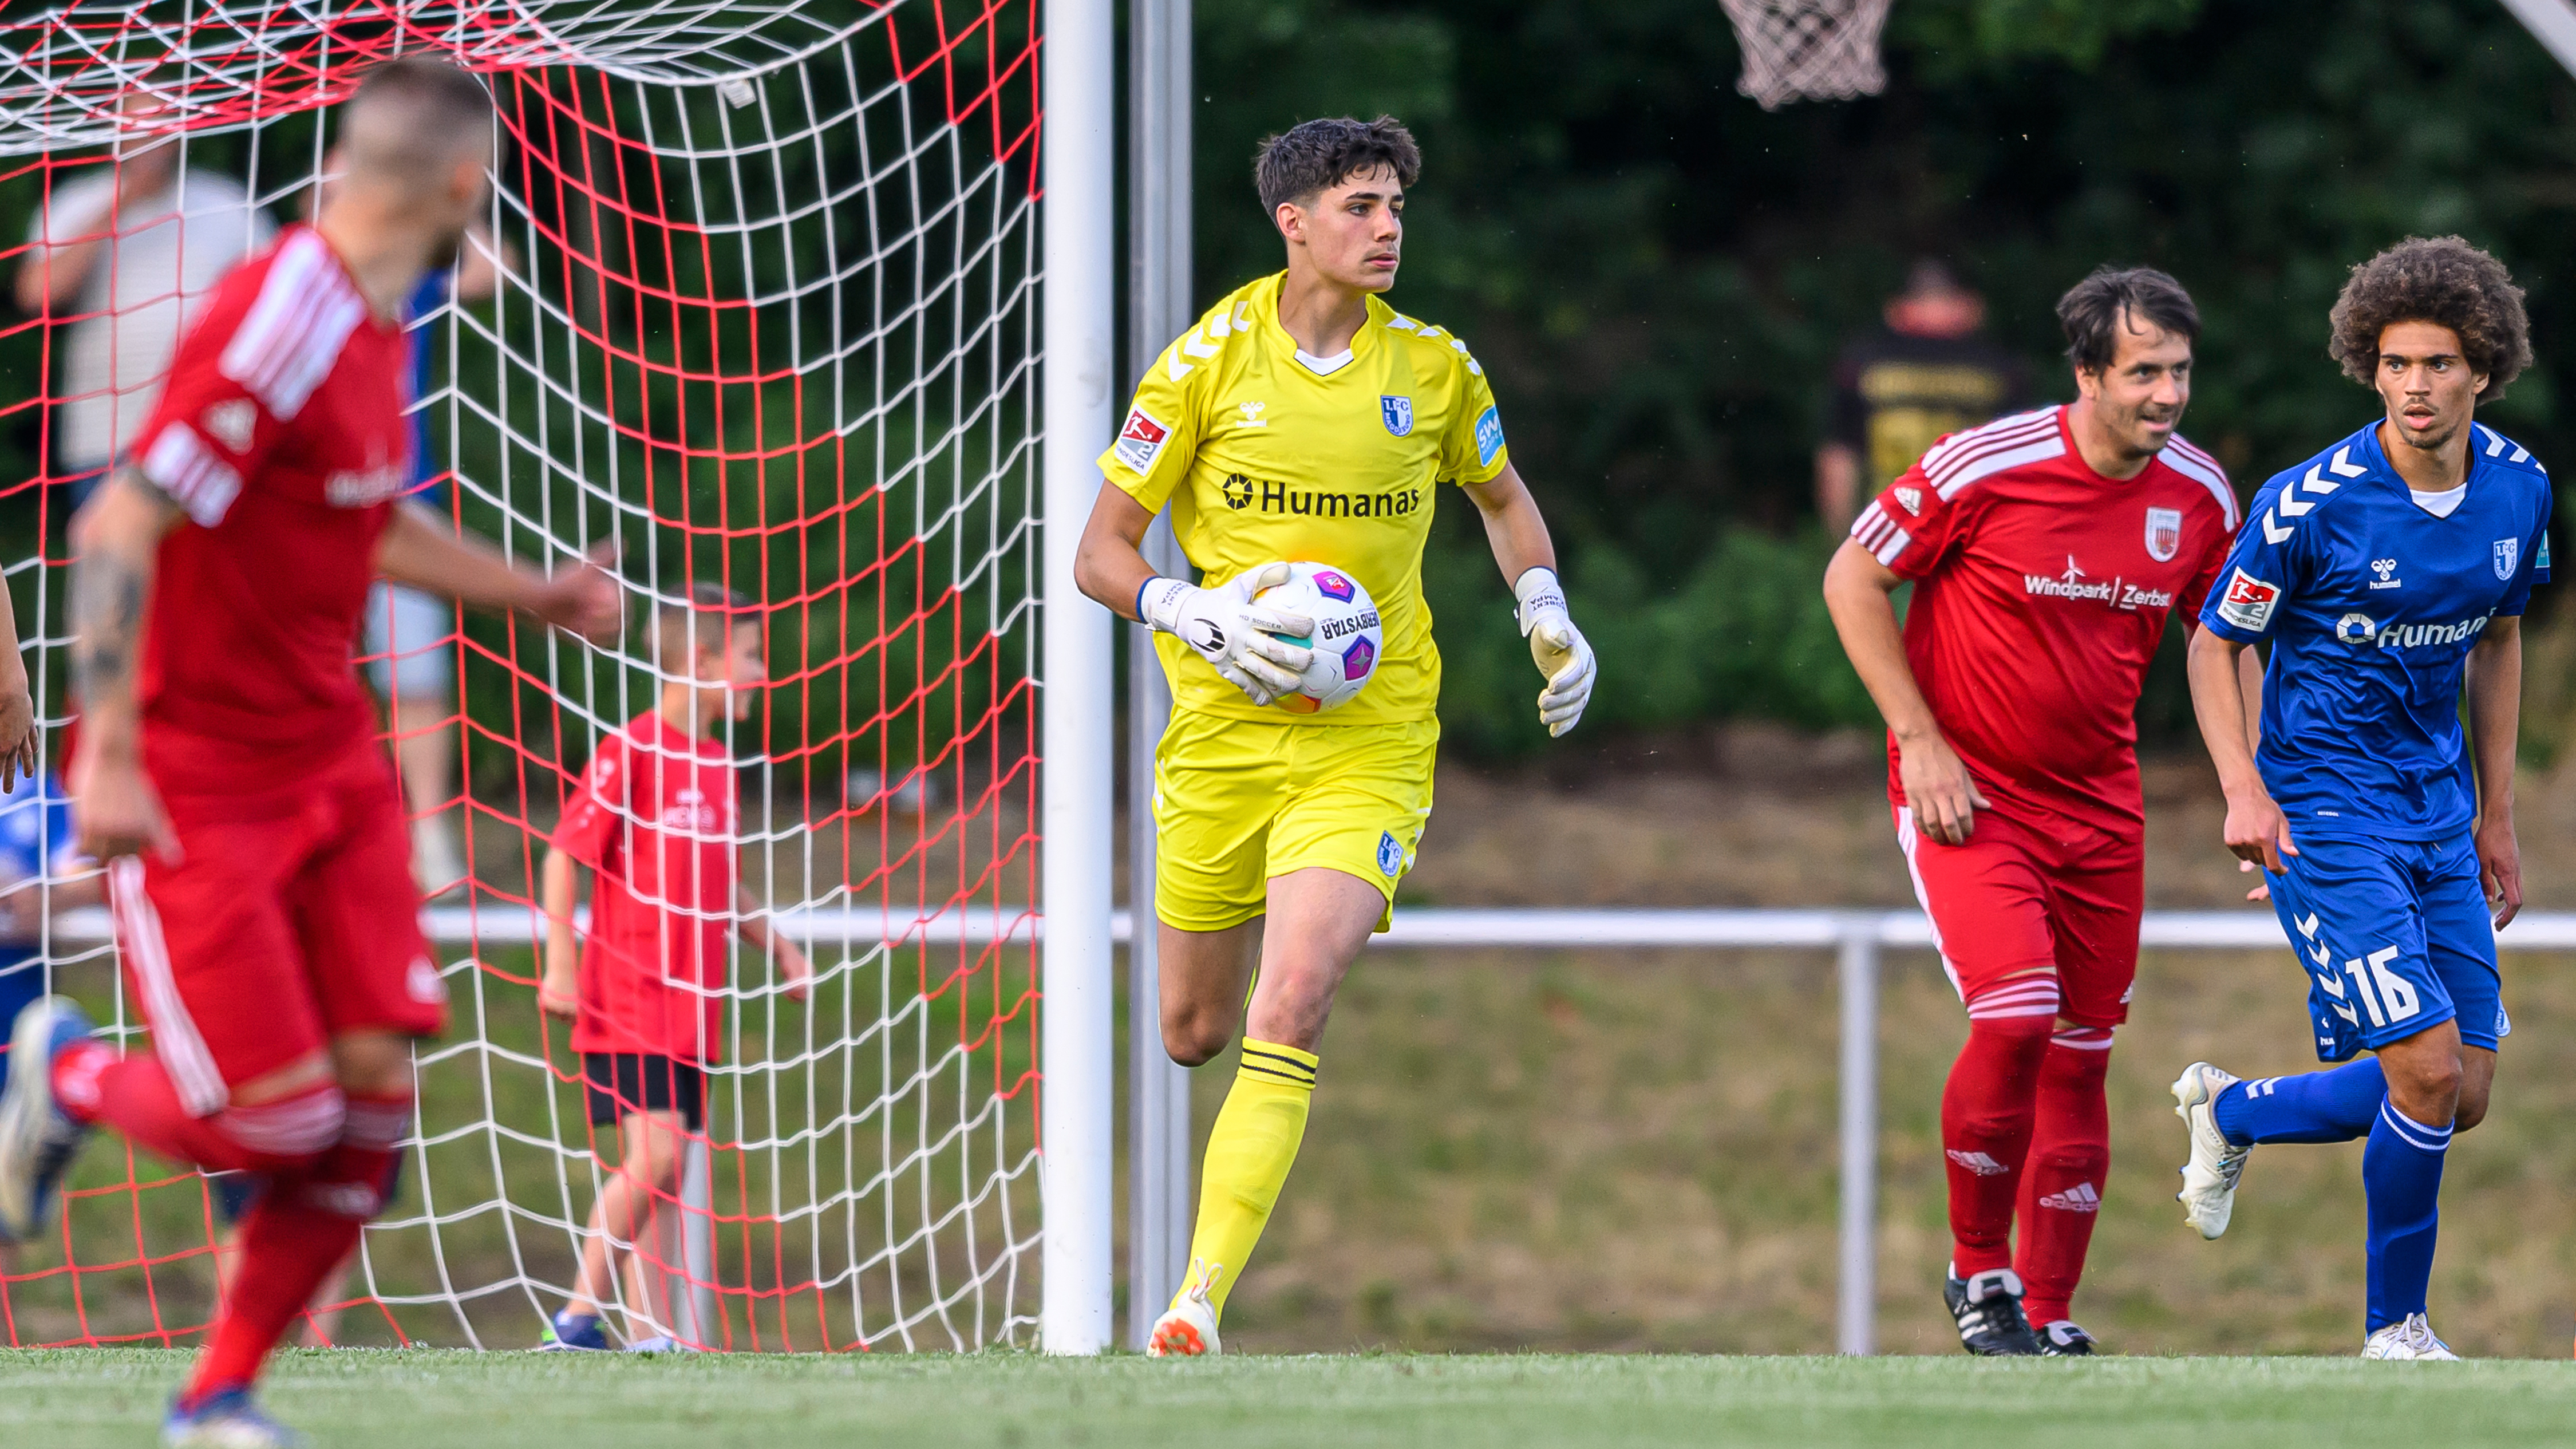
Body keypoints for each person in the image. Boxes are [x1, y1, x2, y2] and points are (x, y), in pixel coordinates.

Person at [0, 58, 620, 1447]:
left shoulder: (369, 313)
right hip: (197, 768)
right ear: (467, 188)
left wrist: (532, 592)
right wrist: (106, 752)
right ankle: (63, 1067)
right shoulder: (281, 311)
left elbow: (363, 515)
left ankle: (215, 1398)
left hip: (331, 759)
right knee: (274, 1125)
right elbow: (115, 528)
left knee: (372, 1118)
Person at [1072, 115, 1597, 1357]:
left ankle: (1197, 1297)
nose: (1389, 228)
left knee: (1294, 993)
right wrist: (1184, 604)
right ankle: (1197, 1256)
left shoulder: (1436, 369)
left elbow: (1505, 498)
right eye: (1362, 207)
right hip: (1219, 741)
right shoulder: (1202, 365)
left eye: (1397, 207)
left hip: (1372, 737)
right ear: (1292, 222)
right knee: (1194, 1031)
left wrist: (1546, 608)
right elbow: (1100, 551)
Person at [1822, 267, 2249, 1356]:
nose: (2166, 394)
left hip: (2102, 812)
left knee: (2084, 1050)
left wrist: (2251, 788)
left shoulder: (2201, 498)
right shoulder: (1987, 462)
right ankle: (1979, 1276)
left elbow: (2220, 647)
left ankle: (2051, 1317)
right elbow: (1850, 579)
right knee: (2013, 1016)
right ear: (2089, 373)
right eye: (2144, 372)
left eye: (2180, 372)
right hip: (1972, 796)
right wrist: (1920, 740)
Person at [2175, 237, 2547, 1361]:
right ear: (2368, 366)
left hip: (2438, 810)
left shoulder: (2520, 486)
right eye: (2395, 363)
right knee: (2424, 1069)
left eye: (2440, 362)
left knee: (2462, 1090)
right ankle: (2398, 1327)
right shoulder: (2312, 502)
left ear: (2484, 367)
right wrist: (2244, 788)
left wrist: (2497, 813)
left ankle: (2231, 1109)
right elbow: (2214, 642)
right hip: (2324, 808)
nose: (2417, 385)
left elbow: (2500, 639)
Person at [535, 583, 810, 1353]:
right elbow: (564, 853)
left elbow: (722, 880)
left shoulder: (719, 763)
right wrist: (560, 964)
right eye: (752, 656)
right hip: (628, 990)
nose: (761, 672)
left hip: (692, 1006)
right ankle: (576, 1319)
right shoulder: (634, 748)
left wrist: (779, 946)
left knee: (662, 1169)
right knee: (655, 1158)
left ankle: (646, 1330)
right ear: (704, 658)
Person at [16, 93, 274, 512]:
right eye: (134, 129)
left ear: (178, 131)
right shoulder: (75, 203)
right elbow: (35, 294)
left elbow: (273, 301)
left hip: (207, 432)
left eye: (157, 125)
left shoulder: (227, 202)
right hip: (107, 435)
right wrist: (122, 203)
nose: (146, 141)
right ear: (111, 134)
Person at [1816, 260, 2031, 532]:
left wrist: (1840, 539)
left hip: (1892, 528)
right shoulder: (2002, 367)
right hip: (1973, 530)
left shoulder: (1864, 361)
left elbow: (1839, 455)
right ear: (1970, 306)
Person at [0, 768, 98, 1280]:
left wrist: (41, 896)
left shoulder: (35, 788)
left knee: (5, 1209)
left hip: (14, 1023)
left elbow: (87, 872)